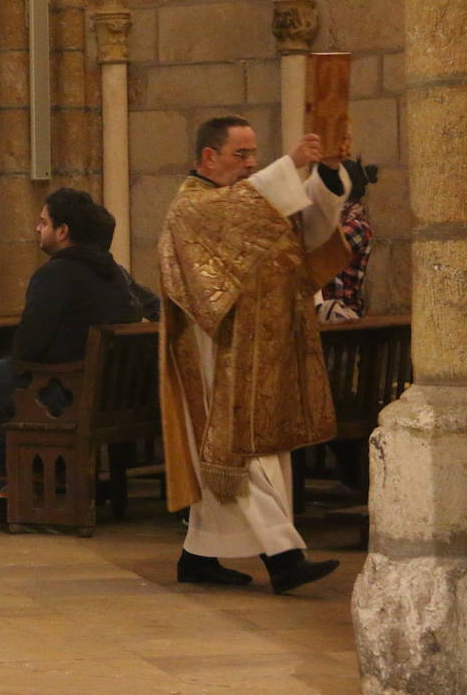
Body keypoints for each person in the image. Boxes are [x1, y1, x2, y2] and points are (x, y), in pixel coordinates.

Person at [159, 115, 348, 594]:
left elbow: (306, 231)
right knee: (241, 452)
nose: (250, 163)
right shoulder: (191, 207)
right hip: (218, 351)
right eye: (240, 154)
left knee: (259, 450)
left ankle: (197, 557)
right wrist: (291, 164)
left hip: (266, 345)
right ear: (209, 158)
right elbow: (241, 207)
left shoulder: (255, 200)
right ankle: (284, 558)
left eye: (254, 154)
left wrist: (324, 176)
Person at [0, 191, 142, 498]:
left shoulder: (54, 274)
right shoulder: (115, 274)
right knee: (0, 369)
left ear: (63, 231)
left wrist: (15, 354)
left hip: (64, 396)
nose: (37, 229)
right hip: (111, 397)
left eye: (43, 223)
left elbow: (28, 349)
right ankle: (38, 469)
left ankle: (2, 472)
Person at [316, 157, 377, 322]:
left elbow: (322, 252)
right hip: (330, 311)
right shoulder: (338, 219)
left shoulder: (358, 226)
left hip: (343, 312)